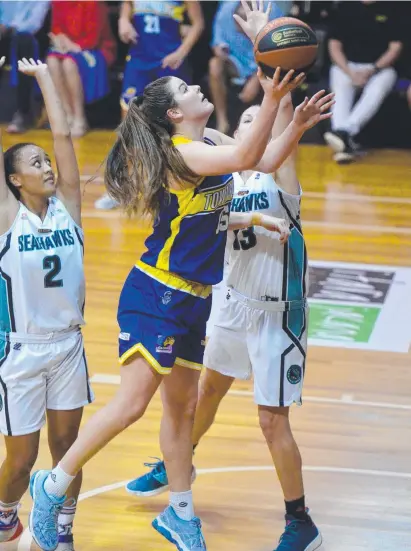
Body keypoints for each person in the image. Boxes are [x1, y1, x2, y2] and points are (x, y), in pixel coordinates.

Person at [28, 4, 330, 551]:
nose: (196, 87)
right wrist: (273, 96)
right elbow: (248, 149)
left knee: (180, 409)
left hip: (195, 300)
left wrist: (297, 120)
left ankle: (180, 513)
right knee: (133, 404)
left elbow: (257, 162)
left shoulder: (210, 142)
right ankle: (53, 483)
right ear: (173, 114)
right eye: (187, 88)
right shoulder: (184, 154)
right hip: (156, 293)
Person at [126, 90, 333, 551]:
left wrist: (271, 68)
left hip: (278, 314)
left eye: (264, 119)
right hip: (229, 304)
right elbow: (202, 147)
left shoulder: (278, 173)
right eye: (247, 118)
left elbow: (276, 121)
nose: (256, 123)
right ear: (234, 134)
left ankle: (301, 522)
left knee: (270, 421)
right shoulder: (220, 178)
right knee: (206, 392)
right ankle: (180, 461)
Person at [0, 57, 93, 551]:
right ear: (14, 180)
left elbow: (63, 139)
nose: (45, 166)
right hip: (21, 351)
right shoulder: (6, 219)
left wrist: (45, 80)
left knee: (67, 451)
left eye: (44, 160)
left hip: (68, 347)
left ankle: (62, 528)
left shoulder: (68, 206)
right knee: (20, 460)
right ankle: (5, 516)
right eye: (32, 163)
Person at [95, 0, 204, 211]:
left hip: (169, 62)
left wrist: (181, 52)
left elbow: (198, 24)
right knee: (127, 124)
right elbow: (127, 5)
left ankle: (183, 186)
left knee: (176, 127)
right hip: (139, 61)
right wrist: (124, 21)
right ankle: (121, 187)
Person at [324, 0, 403, 164]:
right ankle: (345, 140)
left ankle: (343, 133)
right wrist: (349, 71)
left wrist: (373, 69)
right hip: (347, 66)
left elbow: (395, 48)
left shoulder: (392, 7)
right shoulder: (345, 7)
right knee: (339, 84)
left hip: (379, 68)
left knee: (382, 83)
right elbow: (334, 45)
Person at [209, 0, 282, 134]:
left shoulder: (273, 12)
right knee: (214, 64)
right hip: (236, 62)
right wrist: (221, 50)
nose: (240, 28)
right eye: (237, 24)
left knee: (279, 64)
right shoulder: (225, 11)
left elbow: (280, 52)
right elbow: (217, 44)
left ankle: (274, 127)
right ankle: (222, 121)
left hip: (267, 61)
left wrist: (256, 78)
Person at [46, 0, 117, 138]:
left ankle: (80, 118)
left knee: (68, 63)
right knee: (51, 61)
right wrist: (60, 40)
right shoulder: (58, 2)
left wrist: (72, 46)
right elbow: (56, 28)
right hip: (66, 48)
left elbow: (94, 38)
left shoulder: (94, 3)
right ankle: (67, 115)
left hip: (96, 48)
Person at [0, 0, 50, 133]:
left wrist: (10, 27)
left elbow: (34, 25)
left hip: (33, 37)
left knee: (23, 42)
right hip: (7, 34)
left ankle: (23, 112)